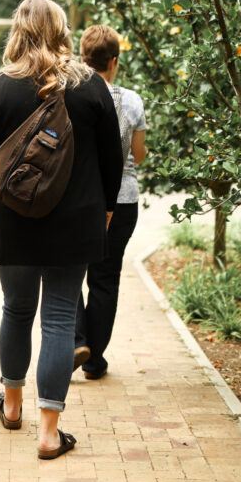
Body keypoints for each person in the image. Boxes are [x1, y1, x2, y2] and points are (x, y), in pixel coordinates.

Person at [0, 0, 123, 459]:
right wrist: (108, 208)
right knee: (58, 319)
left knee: (15, 310)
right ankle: (49, 432)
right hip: (76, 223)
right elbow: (114, 158)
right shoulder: (91, 86)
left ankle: (12, 407)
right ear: (61, 30)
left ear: (17, 31)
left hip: (16, 221)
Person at [73, 25, 149, 380]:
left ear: (82, 58)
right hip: (122, 200)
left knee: (69, 272)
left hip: (80, 199)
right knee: (106, 278)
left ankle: (77, 338)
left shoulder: (69, 94)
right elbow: (139, 155)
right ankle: (94, 360)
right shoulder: (131, 100)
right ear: (114, 62)